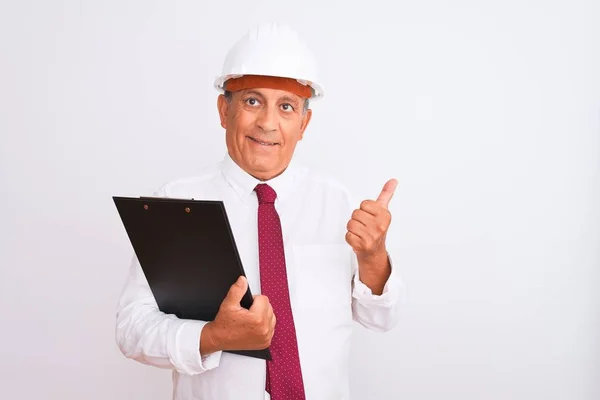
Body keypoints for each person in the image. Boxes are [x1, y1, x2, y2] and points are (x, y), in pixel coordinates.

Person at [116, 23, 404, 400]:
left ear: (304, 123)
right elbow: (132, 329)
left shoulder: (336, 201)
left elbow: (380, 318)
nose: (268, 123)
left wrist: (373, 256)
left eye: (286, 106)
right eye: (252, 101)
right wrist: (212, 337)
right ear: (224, 110)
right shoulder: (177, 202)